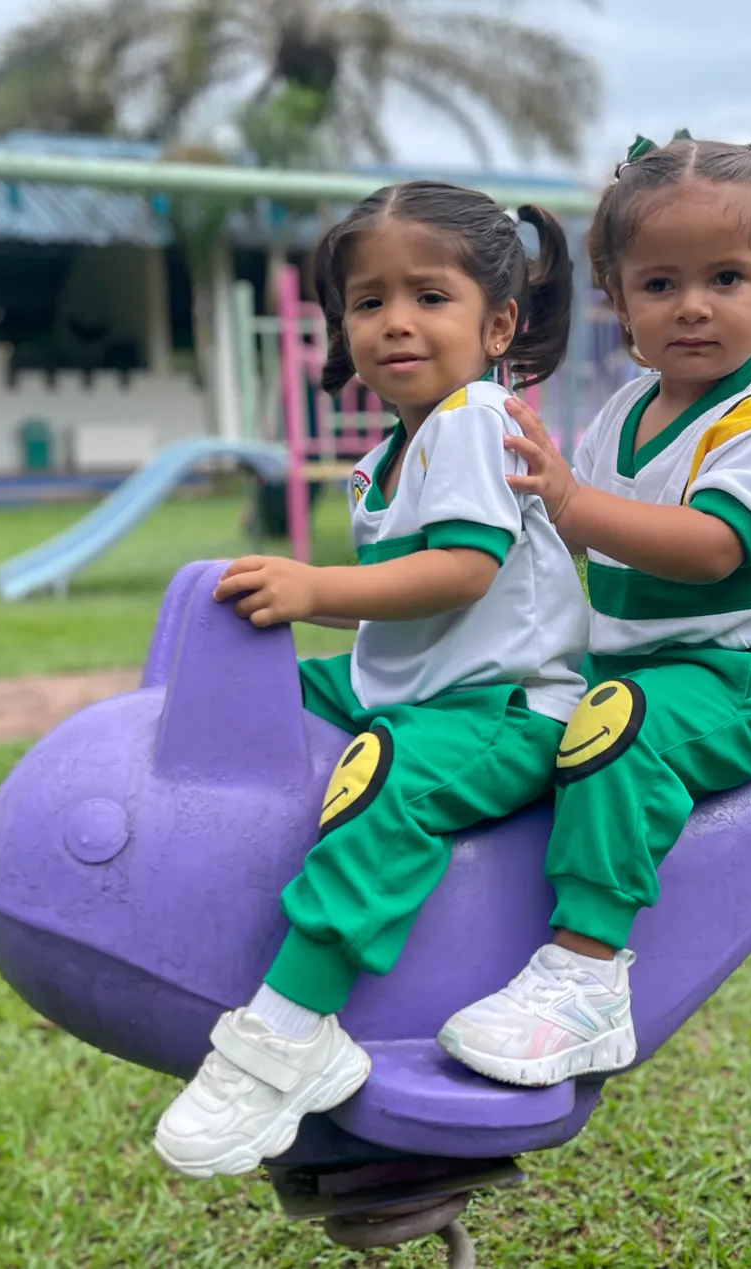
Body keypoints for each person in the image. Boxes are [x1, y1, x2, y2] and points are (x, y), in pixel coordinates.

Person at [154, 181, 588, 1175]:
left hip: (510, 703)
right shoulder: (393, 451)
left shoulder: (477, 417)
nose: (395, 322)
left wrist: (312, 585)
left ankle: (291, 1030)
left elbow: (462, 573)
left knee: (389, 785)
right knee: (276, 693)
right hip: (420, 682)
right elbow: (406, 602)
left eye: (429, 297)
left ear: (499, 323)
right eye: (367, 302)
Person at [437, 131, 751, 1088]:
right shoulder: (625, 412)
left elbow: (710, 548)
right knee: (503, 709)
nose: (692, 306)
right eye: (660, 284)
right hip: (628, 662)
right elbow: (580, 533)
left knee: (621, 732)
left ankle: (583, 977)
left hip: (740, 677)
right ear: (619, 296)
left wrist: (571, 501)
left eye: (727, 279)